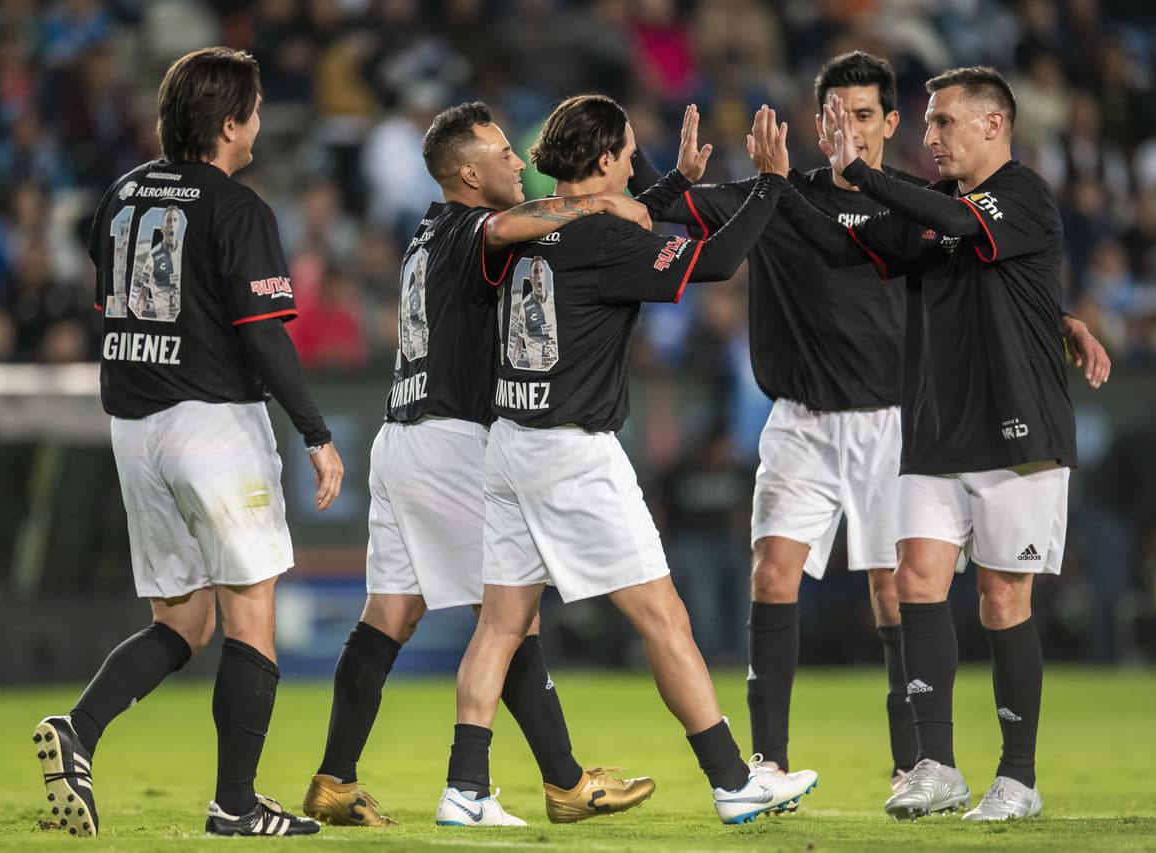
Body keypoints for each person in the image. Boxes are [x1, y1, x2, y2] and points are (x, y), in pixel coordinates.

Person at [629, 51, 1110, 795]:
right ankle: (817, 760)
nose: (848, 130)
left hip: (915, 419)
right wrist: (711, 182)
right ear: (817, 124)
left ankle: (955, 765)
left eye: (865, 116)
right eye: (835, 117)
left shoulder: (943, 201)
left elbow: (996, 260)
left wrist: (1060, 319)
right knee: (817, 574)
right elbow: (823, 240)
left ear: (889, 124)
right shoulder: (795, 196)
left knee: (932, 590)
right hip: (835, 421)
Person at [440, 95, 819, 828]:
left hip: (509, 443)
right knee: (665, 618)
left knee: (501, 625)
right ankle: (733, 779)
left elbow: (601, 219)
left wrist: (672, 183)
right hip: (573, 452)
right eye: (626, 151)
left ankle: (466, 786)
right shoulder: (604, 238)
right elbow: (718, 259)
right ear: (609, 158)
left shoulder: (530, 227)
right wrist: (771, 181)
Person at [303, 101, 659, 828]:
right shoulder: (470, 227)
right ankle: (558, 782)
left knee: (389, 615)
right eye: (501, 152)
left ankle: (335, 780)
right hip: (453, 439)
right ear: (467, 171)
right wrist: (594, 202)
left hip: (401, 435)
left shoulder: (424, 233)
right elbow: (505, 226)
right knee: (511, 619)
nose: (516, 162)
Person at [774, 66, 1110, 821]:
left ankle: (1017, 777)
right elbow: (843, 240)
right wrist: (780, 186)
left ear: (994, 124)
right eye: (925, 125)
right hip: (933, 429)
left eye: (943, 123)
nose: (929, 137)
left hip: (1016, 429)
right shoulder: (937, 208)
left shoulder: (1022, 195)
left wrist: (860, 169)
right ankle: (935, 765)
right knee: (914, 581)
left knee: (999, 598)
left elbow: (965, 229)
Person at [31, 47, 342, 838]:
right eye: (257, 109)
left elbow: (114, 306)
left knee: (184, 621)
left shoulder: (121, 193)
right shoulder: (238, 208)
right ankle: (235, 805)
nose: (261, 123)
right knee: (250, 614)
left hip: (133, 427)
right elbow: (266, 339)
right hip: (211, 424)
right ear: (231, 122)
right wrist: (316, 432)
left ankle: (80, 729)